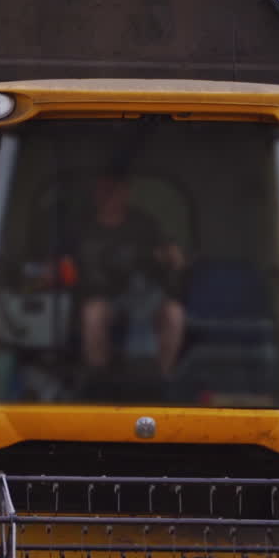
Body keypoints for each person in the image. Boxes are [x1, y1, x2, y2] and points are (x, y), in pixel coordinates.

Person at [77, 164, 186, 398]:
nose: (109, 195)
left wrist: (171, 256)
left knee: (174, 314)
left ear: (125, 192)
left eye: (115, 190)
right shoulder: (82, 227)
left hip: (145, 296)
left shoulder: (144, 223)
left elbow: (171, 256)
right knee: (93, 313)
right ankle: (100, 385)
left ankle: (163, 382)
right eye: (104, 190)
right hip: (102, 297)